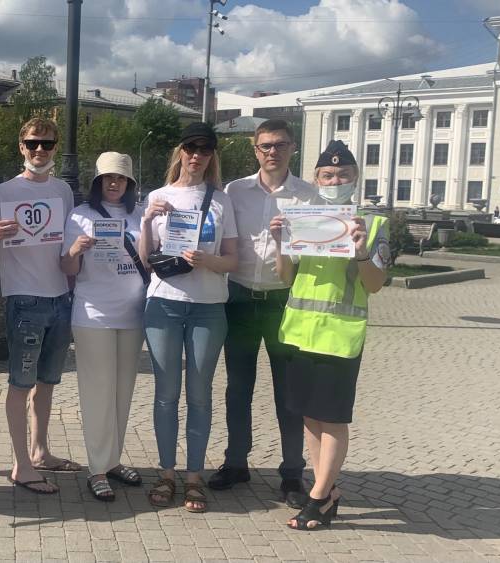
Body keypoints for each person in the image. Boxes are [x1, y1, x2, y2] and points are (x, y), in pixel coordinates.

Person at [269, 140, 389, 531]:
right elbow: (286, 277)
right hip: (301, 332)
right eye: (326, 174)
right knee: (309, 417)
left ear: (355, 178)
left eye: (342, 174)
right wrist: (279, 243)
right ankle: (328, 489)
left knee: (333, 419)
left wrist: (359, 251)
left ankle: (318, 498)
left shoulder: (373, 224)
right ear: (316, 179)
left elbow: (375, 284)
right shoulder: (307, 217)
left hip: (340, 335)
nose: (334, 179)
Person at [209, 120, 315, 510]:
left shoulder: (309, 196)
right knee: (237, 388)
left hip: (284, 301)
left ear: (293, 148)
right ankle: (237, 462)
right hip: (238, 299)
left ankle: (292, 472)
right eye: (266, 145)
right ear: (255, 149)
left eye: (281, 145)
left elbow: (318, 249)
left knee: (289, 393)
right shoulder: (235, 191)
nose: (273, 151)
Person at [138, 122, 239, 513]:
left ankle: (194, 477)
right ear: (180, 151)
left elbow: (233, 259)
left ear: (212, 156)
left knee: (199, 395)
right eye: (191, 148)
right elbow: (147, 259)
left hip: (208, 306)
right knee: (166, 395)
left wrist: (208, 260)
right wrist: (147, 220)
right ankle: (166, 473)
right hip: (163, 303)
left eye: (205, 149)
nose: (197, 155)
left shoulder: (221, 200)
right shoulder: (159, 196)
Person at [0, 117, 81, 494]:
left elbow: (65, 244)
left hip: (59, 296)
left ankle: (41, 451)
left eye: (47, 143)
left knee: (48, 382)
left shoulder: (63, 191)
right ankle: (21, 464)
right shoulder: (3, 191)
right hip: (24, 299)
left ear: (56, 147)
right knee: (20, 383)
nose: (40, 150)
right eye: (32, 143)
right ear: (21, 146)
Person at [60, 152, 147, 502]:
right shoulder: (80, 216)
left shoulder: (140, 215)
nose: (114, 184)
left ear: (129, 184)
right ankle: (96, 468)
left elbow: (152, 261)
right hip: (93, 313)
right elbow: (66, 268)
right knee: (97, 392)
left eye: (121, 179)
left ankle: (112, 460)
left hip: (134, 314)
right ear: (97, 182)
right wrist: (77, 250)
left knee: (122, 393)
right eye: (108, 178)